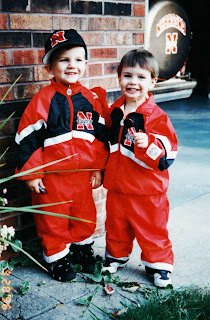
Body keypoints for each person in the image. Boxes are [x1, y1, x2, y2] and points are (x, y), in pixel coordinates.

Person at [15, 29, 108, 282]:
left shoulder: (90, 100)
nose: (72, 65)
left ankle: (81, 250)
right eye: (64, 60)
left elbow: (100, 137)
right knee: (52, 221)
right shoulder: (42, 100)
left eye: (78, 60)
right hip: (52, 180)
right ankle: (57, 259)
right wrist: (33, 174)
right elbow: (27, 137)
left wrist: (98, 168)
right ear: (50, 67)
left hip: (81, 177)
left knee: (84, 215)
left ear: (86, 64)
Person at [102, 49, 178, 288]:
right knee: (116, 226)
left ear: (152, 81)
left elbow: (169, 151)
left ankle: (158, 264)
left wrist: (150, 143)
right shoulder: (114, 111)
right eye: (127, 76)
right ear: (119, 78)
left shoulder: (156, 116)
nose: (133, 82)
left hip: (147, 192)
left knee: (152, 229)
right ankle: (116, 256)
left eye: (141, 77)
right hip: (117, 187)